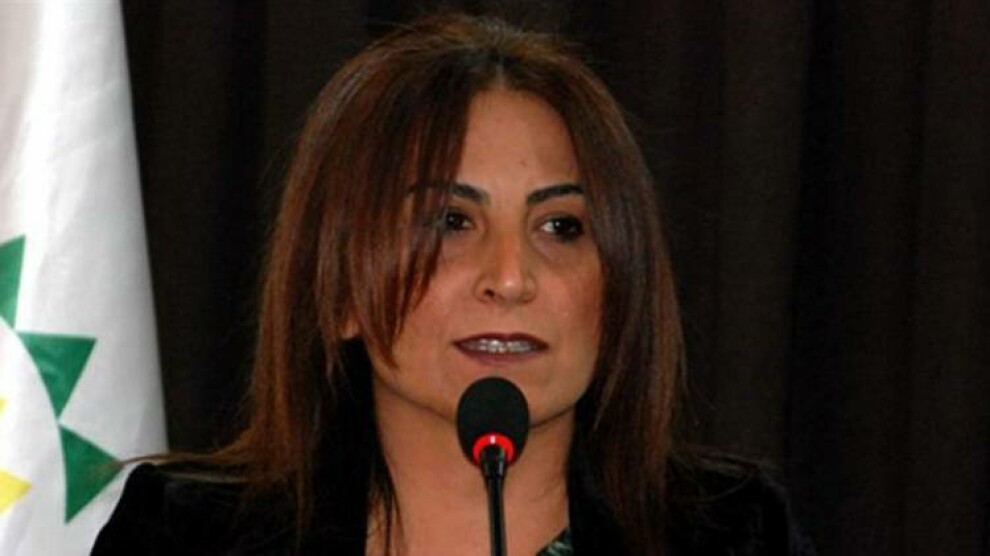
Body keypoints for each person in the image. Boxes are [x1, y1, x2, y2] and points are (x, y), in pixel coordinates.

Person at [92, 12, 814, 556]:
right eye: (450, 222)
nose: (511, 278)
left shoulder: (736, 535)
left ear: (621, 288)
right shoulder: (186, 535)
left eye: (561, 226)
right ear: (340, 289)